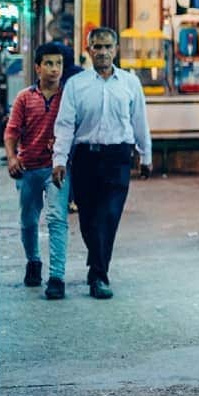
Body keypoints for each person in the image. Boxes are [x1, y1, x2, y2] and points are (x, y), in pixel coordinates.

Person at [52, 27, 153, 300]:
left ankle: (98, 275)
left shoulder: (130, 83)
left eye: (108, 46)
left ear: (116, 49)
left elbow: (139, 120)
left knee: (108, 216)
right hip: (85, 157)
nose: (103, 52)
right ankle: (96, 264)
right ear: (89, 51)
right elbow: (64, 125)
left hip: (119, 157)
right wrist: (59, 160)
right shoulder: (76, 85)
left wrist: (146, 155)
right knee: (88, 219)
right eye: (97, 47)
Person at [4, 43, 71, 300]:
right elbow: (11, 132)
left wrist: (64, 143)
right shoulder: (24, 97)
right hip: (28, 168)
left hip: (57, 168)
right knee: (29, 221)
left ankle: (57, 277)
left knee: (56, 219)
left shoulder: (68, 97)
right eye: (49, 64)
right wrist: (11, 158)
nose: (54, 69)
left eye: (59, 64)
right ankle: (33, 262)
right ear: (38, 67)